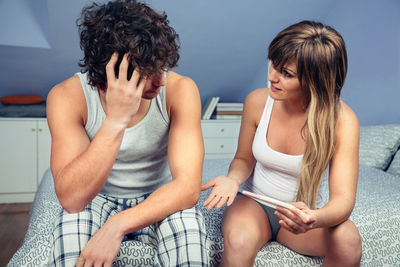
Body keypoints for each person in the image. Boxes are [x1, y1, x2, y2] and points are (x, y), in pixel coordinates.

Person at [46, 0, 209, 266]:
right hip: (96, 197)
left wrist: (117, 225)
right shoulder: (67, 97)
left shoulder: (181, 90)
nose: (161, 80)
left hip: (161, 195)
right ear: (110, 72)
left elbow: (188, 188)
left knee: (189, 236)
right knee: (71, 237)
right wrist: (116, 120)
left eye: (161, 67)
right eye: (148, 72)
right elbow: (72, 199)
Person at [202, 20, 362, 266]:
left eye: (286, 74)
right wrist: (232, 180)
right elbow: (244, 159)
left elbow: (343, 200)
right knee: (240, 242)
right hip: (254, 204)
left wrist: (314, 218)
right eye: (273, 66)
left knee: (349, 240)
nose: (271, 77)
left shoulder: (343, 121)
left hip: (301, 215)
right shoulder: (257, 102)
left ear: (315, 81)